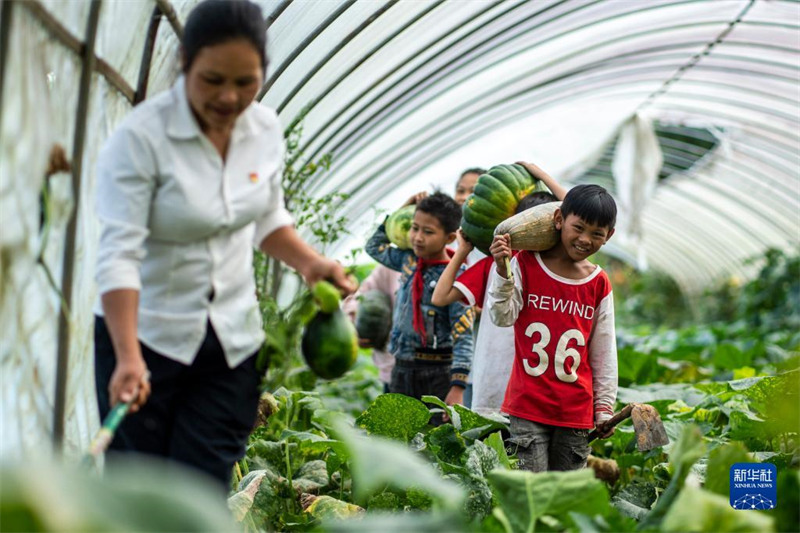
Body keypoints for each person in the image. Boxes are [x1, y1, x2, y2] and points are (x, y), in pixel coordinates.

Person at [93, 0, 355, 490]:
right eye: (213, 80)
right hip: (145, 335)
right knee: (140, 494)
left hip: (231, 342)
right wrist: (128, 357)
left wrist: (312, 263)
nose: (230, 97)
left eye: (245, 82)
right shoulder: (141, 139)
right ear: (185, 62)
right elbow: (118, 256)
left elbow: (267, 218)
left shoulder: (263, 130)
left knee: (203, 490)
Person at [487, 184, 619, 472]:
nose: (585, 239)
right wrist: (501, 270)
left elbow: (603, 352)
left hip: (576, 412)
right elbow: (502, 316)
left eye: (597, 234)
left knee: (564, 496)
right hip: (527, 406)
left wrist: (604, 408)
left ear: (608, 236)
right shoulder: (525, 263)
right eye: (579, 228)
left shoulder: (598, 283)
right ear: (559, 220)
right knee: (530, 490)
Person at [431, 162, 567, 416]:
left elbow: (581, 210)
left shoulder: (560, 266)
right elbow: (440, 297)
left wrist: (540, 174)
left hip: (536, 385)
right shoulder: (497, 263)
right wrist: (462, 251)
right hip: (497, 378)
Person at [365, 191, 474, 416]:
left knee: (434, 443)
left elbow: (463, 334)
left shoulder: (456, 276)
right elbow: (373, 246)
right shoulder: (408, 261)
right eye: (414, 228)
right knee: (399, 441)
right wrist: (404, 206)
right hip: (402, 367)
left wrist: (457, 387)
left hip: (438, 374)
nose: (417, 237)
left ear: (450, 237)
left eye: (428, 232)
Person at [342, 264, 399, 393]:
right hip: (392, 371)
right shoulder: (391, 265)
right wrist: (352, 325)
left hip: (439, 373)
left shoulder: (450, 265)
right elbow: (359, 298)